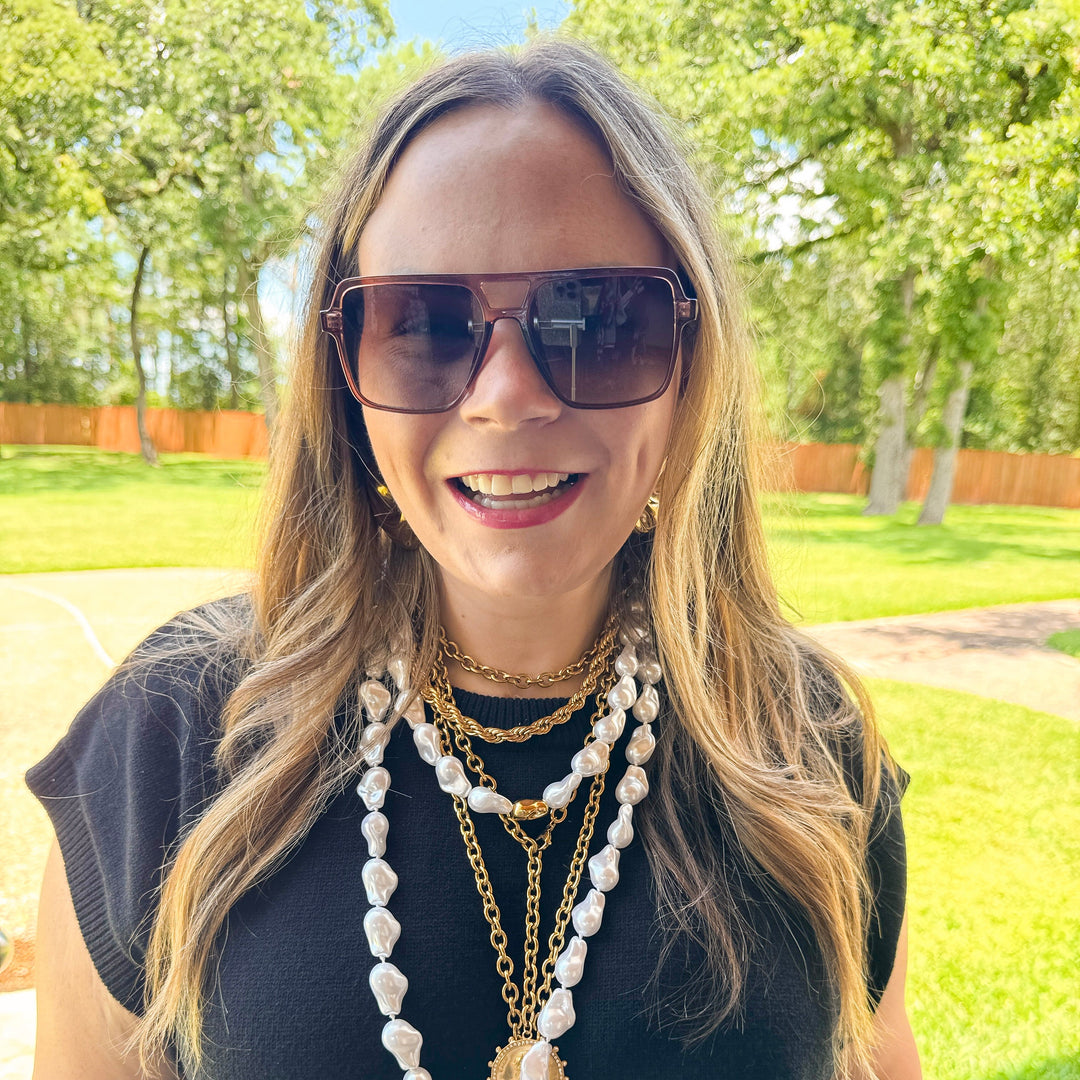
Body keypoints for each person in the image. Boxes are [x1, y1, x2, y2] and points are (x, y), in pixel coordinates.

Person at [28, 37, 920, 1080]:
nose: (506, 394)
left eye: (598, 319)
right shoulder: (171, 737)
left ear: (694, 363)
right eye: (426, 321)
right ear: (345, 374)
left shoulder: (810, 748)